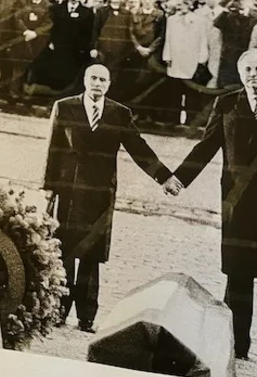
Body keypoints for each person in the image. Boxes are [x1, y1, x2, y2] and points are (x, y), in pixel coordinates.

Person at [170, 51, 257, 361]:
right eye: (248, 69)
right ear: (240, 73)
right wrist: (179, 179)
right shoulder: (226, 104)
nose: (254, 75)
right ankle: (237, 347)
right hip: (238, 204)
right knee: (238, 276)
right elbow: (206, 146)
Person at [45, 65, 176, 332]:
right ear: (85, 80)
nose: (97, 83)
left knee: (92, 255)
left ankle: (86, 317)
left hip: (101, 193)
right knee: (66, 249)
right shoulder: (64, 107)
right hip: (69, 191)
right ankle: (58, 310)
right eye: (93, 78)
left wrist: (164, 177)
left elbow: (138, 147)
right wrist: (48, 187)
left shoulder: (119, 113)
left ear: (109, 84)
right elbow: (54, 149)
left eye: (103, 79)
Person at [160, 0, 210, 125]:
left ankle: (190, 121)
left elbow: (203, 40)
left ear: (189, 5)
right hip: (176, 59)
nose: (179, 7)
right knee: (174, 91)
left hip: (191, 59)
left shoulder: (199, 21)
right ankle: (173, 120)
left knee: (191, 92)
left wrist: (202, 59)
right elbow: (168, 39)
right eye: (177, 5)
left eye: (181, 5)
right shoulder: (171, 20)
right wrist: (167, 56)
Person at [45, 0, 96, 94]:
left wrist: (86, 47)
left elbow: (89, 31)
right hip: (60, 45)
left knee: (73, 70)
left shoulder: (87, 12)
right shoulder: (57, 9)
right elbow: (52, 27)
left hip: (77, 48)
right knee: (58, 68)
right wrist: (51, 41)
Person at [212, 0, 257, 88]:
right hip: (230, 56)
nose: (242, 2)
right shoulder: (230, 15)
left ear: (250, 0)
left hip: (249, 52)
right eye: (239, 0)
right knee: (228, 85)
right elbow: (217, 24)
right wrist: (227, 9)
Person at [15, 0, 54, 93]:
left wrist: (36, 33)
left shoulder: (49, 6)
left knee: (35, 67)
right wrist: (25, 30)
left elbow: (49, 23)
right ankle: (15, 92)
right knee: (19, 66)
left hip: (39, 41)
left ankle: (29, 93)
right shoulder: (23, 3)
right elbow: (17, 18)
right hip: (23, 38)